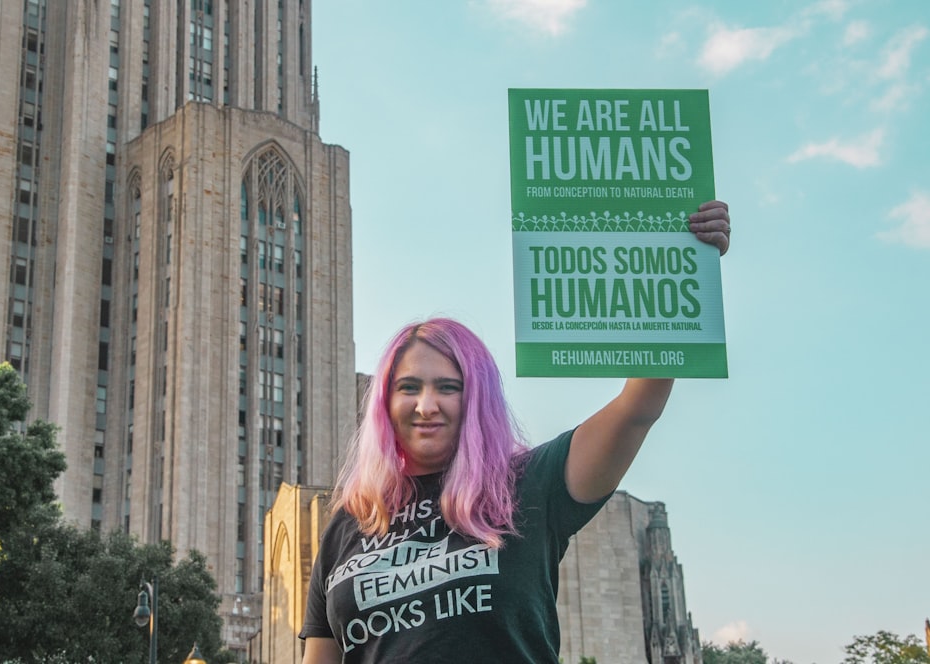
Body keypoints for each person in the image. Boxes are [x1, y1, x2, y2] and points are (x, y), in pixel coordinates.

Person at [301, 202, 731, 663]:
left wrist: (682, 259)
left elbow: (637, 408)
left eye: (449, 387)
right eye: (409, 388)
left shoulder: (529, 484)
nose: (427, 405)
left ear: (477, 397)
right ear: (385, 403)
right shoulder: (349, 523)